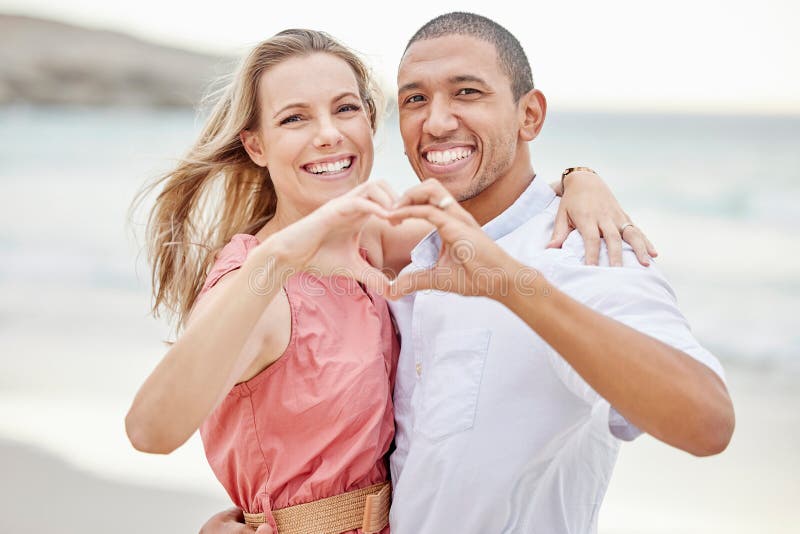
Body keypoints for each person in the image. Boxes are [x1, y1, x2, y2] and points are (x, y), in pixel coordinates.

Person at [125, 28, 649, 534]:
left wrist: (580, 180)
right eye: (294, 118)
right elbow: (150, 430)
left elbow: (500, 205)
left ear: (370, 121)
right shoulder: (256, 285)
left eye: (345, 108)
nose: (328, 133)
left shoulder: (374, 238)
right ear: (256, 146)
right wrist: (280, 255)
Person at [379, 12, 733, 533]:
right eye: (415, 99)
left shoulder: (582, 252)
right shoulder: (417, 255)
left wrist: (513, 285)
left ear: (530, 116)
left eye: (467, 92)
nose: (435, 122)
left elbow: (708, 420)